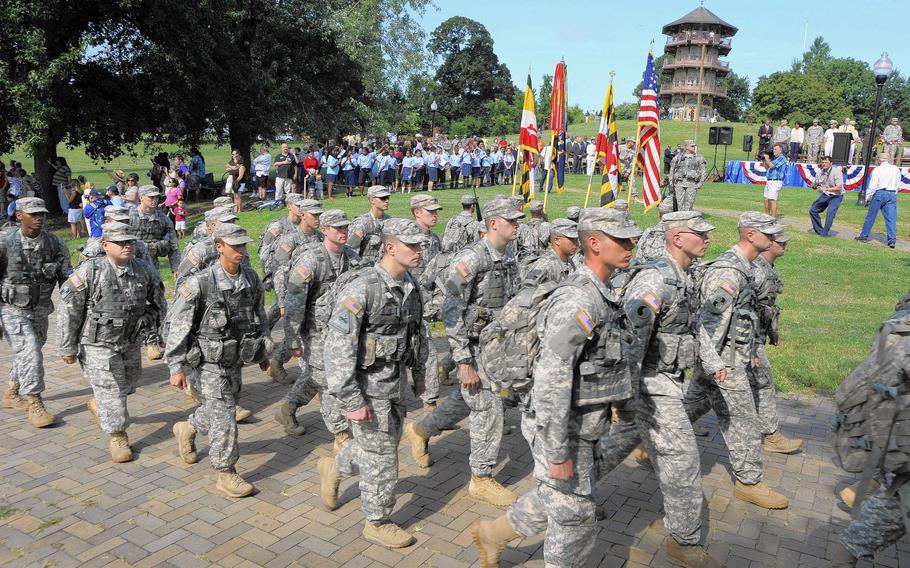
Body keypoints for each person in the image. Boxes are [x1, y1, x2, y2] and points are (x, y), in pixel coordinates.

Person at [471, 208, 643, 568]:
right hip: (563, 428)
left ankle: (495, 534)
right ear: (594, 243)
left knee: (560, 497)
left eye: (632, 238)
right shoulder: (578, 302)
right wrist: (556, 451)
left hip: (586, 422)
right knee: (575, 516)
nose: (632, 244)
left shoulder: (604, 292)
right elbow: (552, 377)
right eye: (622, 239)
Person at [591, 210, 724, 568]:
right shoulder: (654, 280)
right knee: (683, 461)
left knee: (609, 452)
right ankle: (684, 542)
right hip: (651, 385)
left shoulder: (685, 276)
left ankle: (518, 520)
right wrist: (625, 396)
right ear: (677, 238)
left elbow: (693, 328)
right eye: (700, 233)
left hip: (666, 381)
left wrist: (713, 365)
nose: (708, 239)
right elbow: (632, 341)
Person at [317, 218, 428, 549]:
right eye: (412, 245)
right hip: (366, 389)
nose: (420, 250)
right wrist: (351, 401)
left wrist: (421, 378)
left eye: (420, 244)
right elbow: (337, 348)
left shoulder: (411, 286)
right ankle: (377, 521)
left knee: (380, 447)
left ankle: (334, 467)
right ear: (391, 247)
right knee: (383, 458)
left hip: (393, 385)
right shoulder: (362, 289)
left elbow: (417, 335)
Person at [405, 196, 521, 507]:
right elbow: (451, 310)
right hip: (473, 346)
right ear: (493, 223)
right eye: (512, 221)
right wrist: (463, 361)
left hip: (495, 345)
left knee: (465, 399)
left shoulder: (508, 253)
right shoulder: (472, 259)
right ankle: (481, 477)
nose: (517, 225)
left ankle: (420, 430)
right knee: (488, 406)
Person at [684, 212, 790, 511]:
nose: (774, 239)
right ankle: (749, 483)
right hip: (723, 362)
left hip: (730, 357)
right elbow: (705, 323)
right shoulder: (729, 272)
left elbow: (748, 313)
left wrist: (754, 345)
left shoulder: (747, 268)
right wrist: (714, 364)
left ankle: (644, 439)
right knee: (743, 420)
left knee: (690, 408)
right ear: (751, 236)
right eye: (769, 234)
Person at [167, 223, 271, 498]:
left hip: (236, 358)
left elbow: (259, 315)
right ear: (219, 247)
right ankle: (226, 472)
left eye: (243, 244)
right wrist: (176, 366)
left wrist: (263, 351)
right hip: (209, 363)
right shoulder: (199, 283)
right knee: (225, 413)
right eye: (234, 245)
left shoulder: (250, 278)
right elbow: (178, 325)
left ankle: (187, 428)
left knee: (222, 406)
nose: (241, 250)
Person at [57, 222, 165, 463]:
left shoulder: (144, 270)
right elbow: (69, 311)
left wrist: (154, 332)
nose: (127, 246)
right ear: (106, 246)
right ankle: (118, 435)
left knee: (128, 384)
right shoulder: (90, 271)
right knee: (112, 389)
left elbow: (159, 304)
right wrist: (67, 346)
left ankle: (101, 405)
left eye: (130, 242)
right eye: (121, 243)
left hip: (129, 341)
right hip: (96, 343)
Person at [275, 209, 360, 440]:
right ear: (325, 230)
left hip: (343, 329)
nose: (344, 232)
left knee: (319, 374)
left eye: (345, 227)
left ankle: (289, 407)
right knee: (327, 377)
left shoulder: (352, 257)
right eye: (338, 228)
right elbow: (294, 301)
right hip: (316, 329)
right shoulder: (311, 259)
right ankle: (340, 433)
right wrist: (292, 337)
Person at [0, 198, 71, 427]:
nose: (39, 217)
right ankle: (35, 404)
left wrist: (75, 307)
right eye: (33, 214)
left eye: (42, 213)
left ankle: (12, 391)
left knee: (29, 351)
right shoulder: (5, 242)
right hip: (12, 309)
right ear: (19, 215)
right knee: (30, 351)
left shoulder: (54, 243)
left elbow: (66, 278)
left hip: (40, 309)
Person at [751, 230, 803, 454]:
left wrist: (773, 332)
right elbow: (745, 309)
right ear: (768, 243)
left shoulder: (768, 268)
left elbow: (768, 307)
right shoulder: (755, 269)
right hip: (744, 340)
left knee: (704, 391)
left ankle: (668, 426)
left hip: (754, 337)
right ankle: (771, 436)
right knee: (763, 382)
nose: (784, 244)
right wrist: (751, 344)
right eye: (779, 241)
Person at [409, 195, 444, 411]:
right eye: (430, 211)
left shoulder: (435, 239)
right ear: (417, 212)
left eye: (436, 211)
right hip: (404, 304)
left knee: (428, 352)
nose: (435, 215)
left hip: (426, 305)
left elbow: (438, 271)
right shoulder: (405, 237)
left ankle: (429, 403)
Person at [128, 186, 181, 272]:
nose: (155, 200)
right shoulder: (129, 216)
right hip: (131, 266)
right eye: (151, 197)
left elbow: (174, 245)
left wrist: (176, 269)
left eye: (157, 197)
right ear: (141, 197)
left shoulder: (163, 219)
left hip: (152, 267)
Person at [856, 154, 902, 248]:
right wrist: (894, 193)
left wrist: (867, 198)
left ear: (879, 160)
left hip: (880, 192)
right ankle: (892, 240)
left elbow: (872, 186)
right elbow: (898, 183)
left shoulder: (877, 169)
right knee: (891, 218)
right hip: (892, 193)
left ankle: (864, 236)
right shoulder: (895, 169)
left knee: (871, 216)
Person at [519, 219, 578, 289]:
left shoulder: (568, 261)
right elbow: (528, 296)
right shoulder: (544, 266)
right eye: (572, 239)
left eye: (577, 239)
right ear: (557, 240)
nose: (576, 243)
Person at [347, 185, 391, 264]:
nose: (387, 201)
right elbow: (350, 250)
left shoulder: (390, 221)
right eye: (383, 198)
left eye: (388, 197)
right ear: (372, 200)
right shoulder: (361, 223)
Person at [808, 156, 845, 236]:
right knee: (812, 210)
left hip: (836, 196)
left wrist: (826, 189)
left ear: (831, 163)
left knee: (830, 213)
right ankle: (819, 230)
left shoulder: (836, 172)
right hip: (826, 195)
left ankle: (824, 233)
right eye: (823, 162)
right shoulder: (819, 172)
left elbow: (839, 187)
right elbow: (816, 183)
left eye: (826, 162)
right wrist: (813, 186)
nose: (824, 164)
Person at [668, 140, 708, 211]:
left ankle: (688, 219)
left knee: (689, 204)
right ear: (686, 147)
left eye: (694, 146)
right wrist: (671, 182)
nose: (694, 147)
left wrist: (700, 183)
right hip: (679, 183)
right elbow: (672, 170)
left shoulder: (699, 157)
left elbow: (704, 171)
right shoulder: (678, 157)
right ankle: (681, 219)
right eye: (692, 146)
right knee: (680, 204)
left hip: (691, 184)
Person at [761, 144, 787, 218]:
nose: (773, 151)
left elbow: (772, 166)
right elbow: (767, 168)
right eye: (773, 149)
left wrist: (768, 159)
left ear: (780, 150)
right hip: (769, 181)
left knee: (772, 200)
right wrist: (764, 160)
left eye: (775, 149)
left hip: (775, 181)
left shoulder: (782, 158)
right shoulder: (774, 158)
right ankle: (767, 216)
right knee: (766, 199)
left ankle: (772, 217)